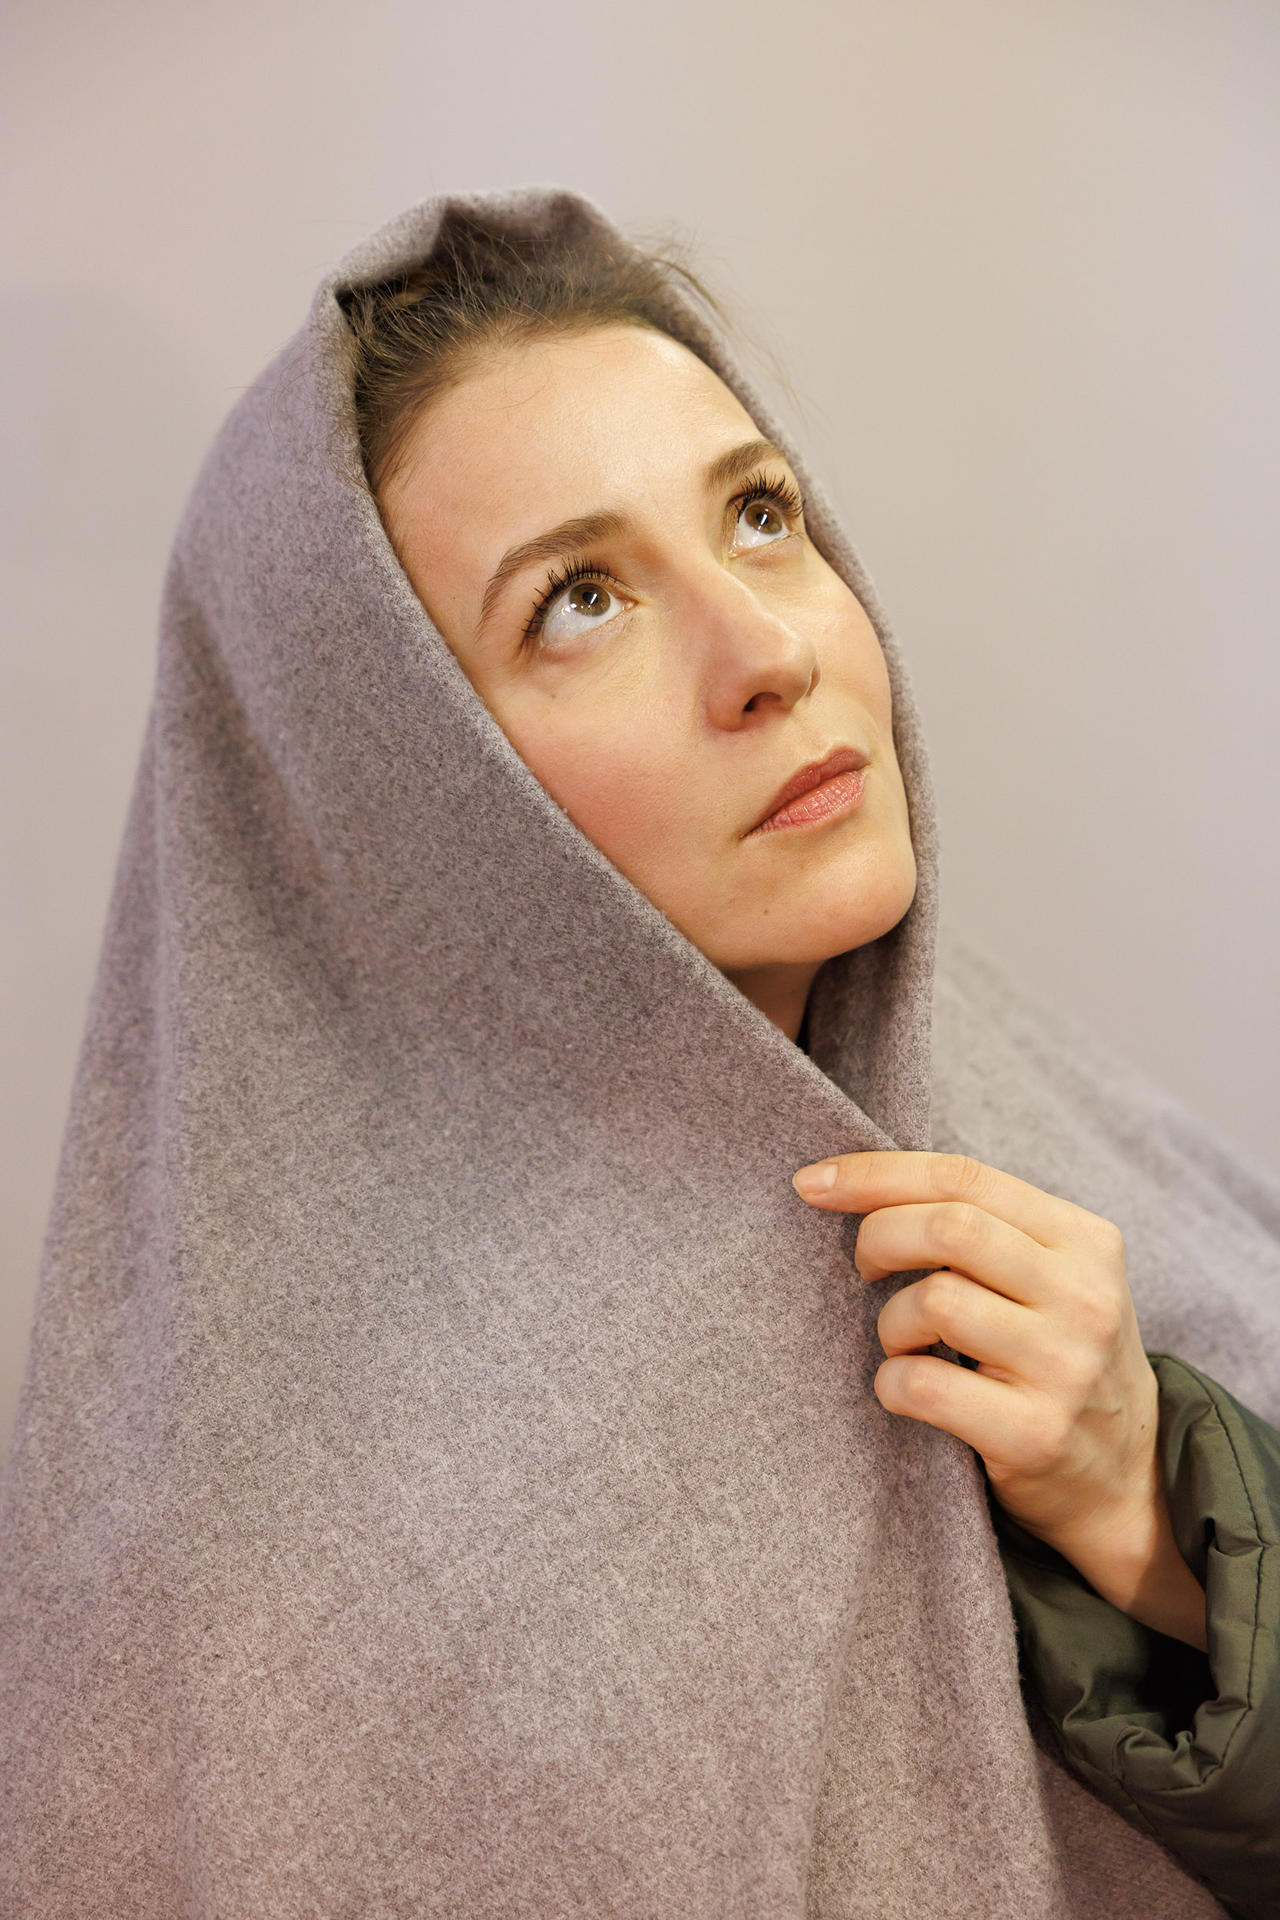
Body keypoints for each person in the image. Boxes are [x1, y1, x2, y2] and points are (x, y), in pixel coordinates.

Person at [0, 184, 1276, 1918]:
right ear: (402, 801)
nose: (772, 652)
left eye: (760, 514)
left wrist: (1154, 1506)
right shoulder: (297, 1599)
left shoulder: (1050, 1129)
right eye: (581, 600)